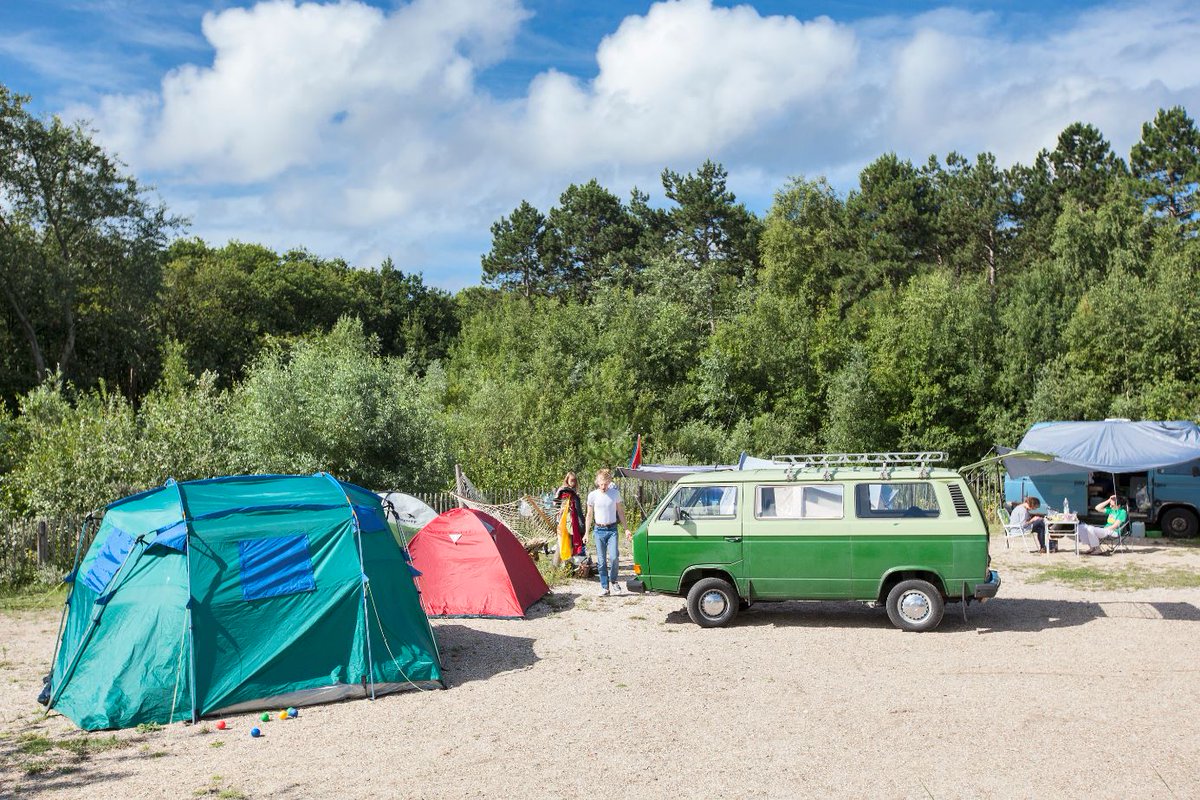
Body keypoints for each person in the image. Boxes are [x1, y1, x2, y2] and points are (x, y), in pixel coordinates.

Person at [585, 468, 631, 597]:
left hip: (612, 530)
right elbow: (589, 515)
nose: (603, 486)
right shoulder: (592, 495)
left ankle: (614, 580)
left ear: (609, 482)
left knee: (614, 557)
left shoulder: (615, 493)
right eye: (601, 484)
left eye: (605, 484)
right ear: (597, 482)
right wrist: (586, 533)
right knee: (601, 560)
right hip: (599, 530)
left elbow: (620, 512)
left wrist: (626, 528)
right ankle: (605, 587)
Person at [555, 472, 585, 560]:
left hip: (575, 520)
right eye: (572, 480)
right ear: (567, 480)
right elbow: (556, 504)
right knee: (564, 543)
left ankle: (571, 564)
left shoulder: (575, 492)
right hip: (565, 520)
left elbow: (578, 509)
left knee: (572, 543)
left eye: (575, 480)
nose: (573, 482)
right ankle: (562, 564)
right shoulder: (563, 490)